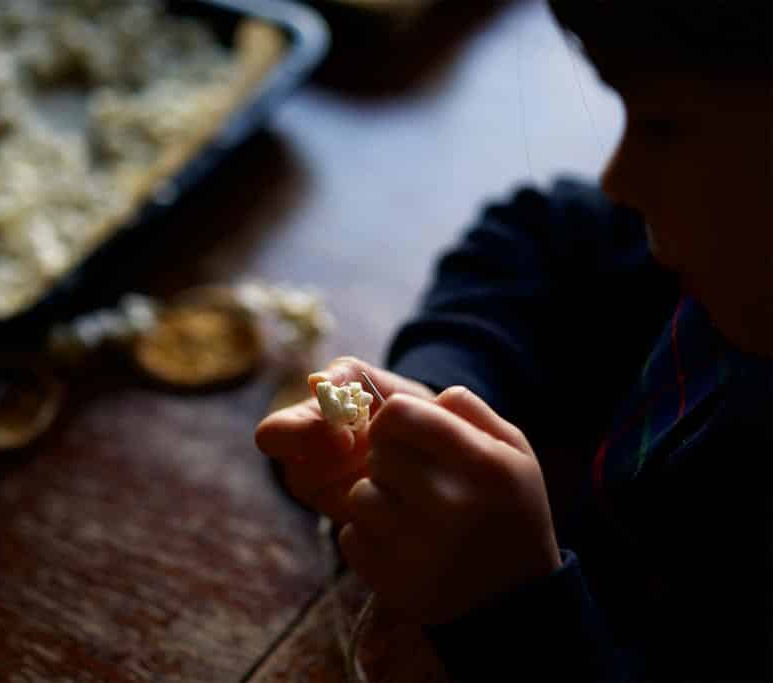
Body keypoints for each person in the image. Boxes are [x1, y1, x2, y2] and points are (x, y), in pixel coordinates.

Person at [255, 1, 771, 679]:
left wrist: (515, 614)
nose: (618, 177)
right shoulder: (724, 268)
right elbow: (536, 236)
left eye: (662, 126)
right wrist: (446, 395)